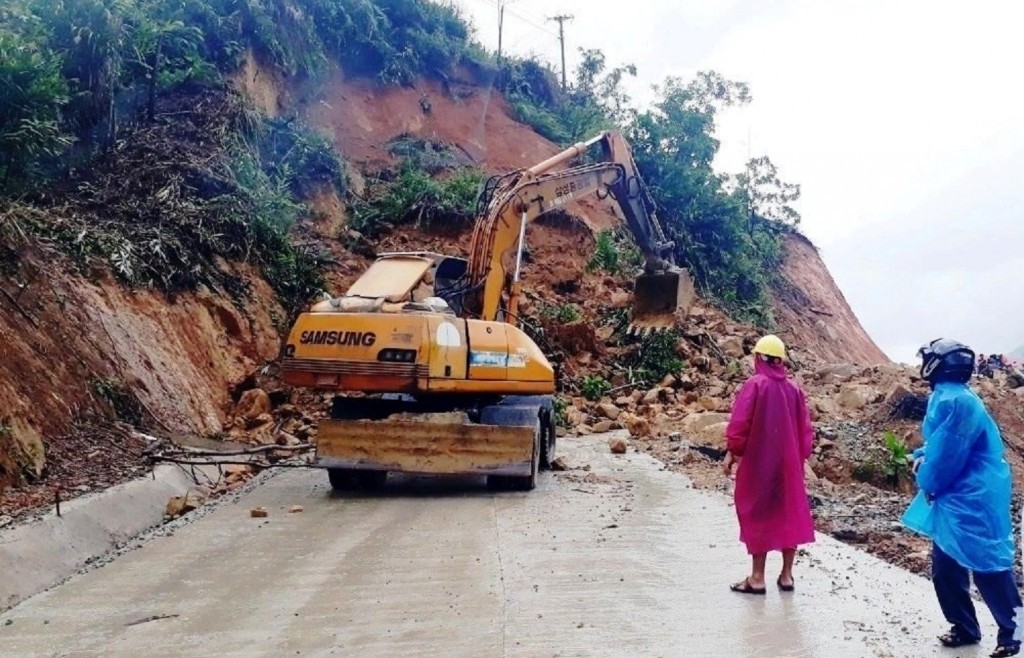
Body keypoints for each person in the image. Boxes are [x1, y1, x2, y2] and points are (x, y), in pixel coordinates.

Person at [902, 338, 1022, 658]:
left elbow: (947, 459)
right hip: (960, 498)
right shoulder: (952, 396)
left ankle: (1014, 634)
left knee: (988, 567)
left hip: (971, 499)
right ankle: (965, 627)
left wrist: (925, 473)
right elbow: (942, 443)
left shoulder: (955, 401)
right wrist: (923, 455)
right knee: (946, 566)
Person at [723, 334, 815, 594]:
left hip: (759, 462)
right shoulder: (794, 389)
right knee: (789, 512)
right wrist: (800, 457)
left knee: (757, 512)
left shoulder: (755, 385)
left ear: (758, 358)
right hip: (789, 463)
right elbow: (805, 430)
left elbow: (740, 423)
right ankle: (787, 576)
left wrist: (732, 452)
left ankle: (757, 577)